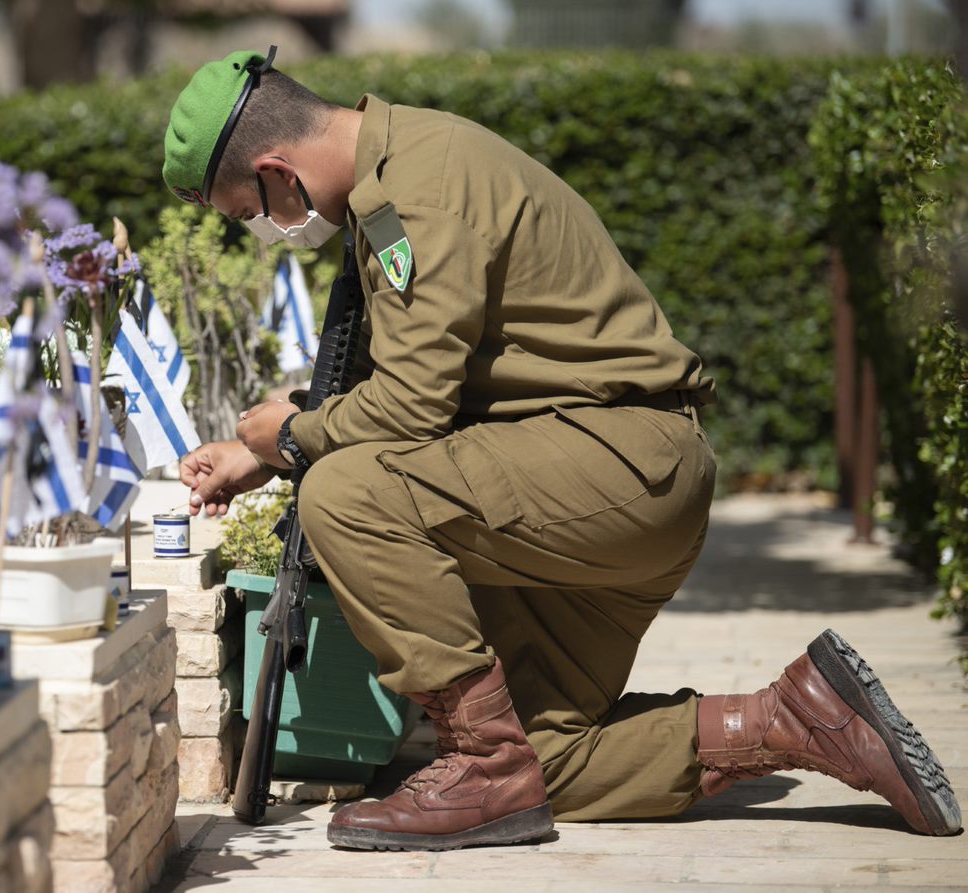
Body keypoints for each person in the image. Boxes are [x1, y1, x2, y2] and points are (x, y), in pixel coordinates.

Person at [160, 47, 962, 850]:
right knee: (545, 761)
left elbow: (408, 407)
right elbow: (411, 378)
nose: (261, 233)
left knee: (346, 493)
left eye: (246, 213)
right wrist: (263, 452)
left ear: (279, 172)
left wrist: (294, 438)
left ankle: (481, 763)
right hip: (592, 475)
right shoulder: (395, 181)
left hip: (618, 465)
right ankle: (796, 716)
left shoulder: (418, 188)